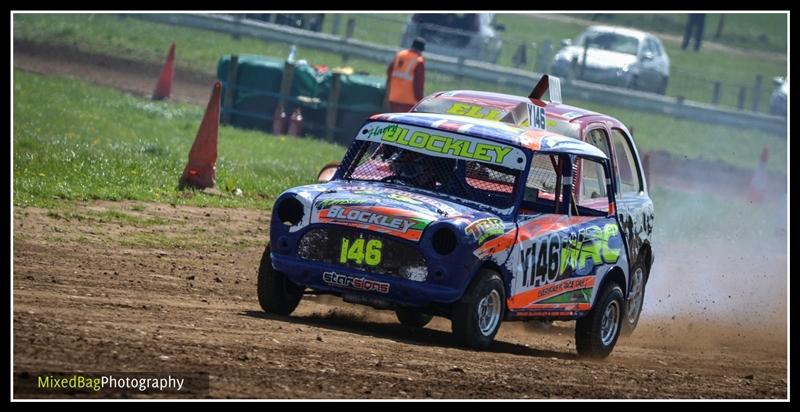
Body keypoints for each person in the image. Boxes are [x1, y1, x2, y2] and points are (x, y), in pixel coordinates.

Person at [385, 37, 426, 112]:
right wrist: (420, 100)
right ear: (421, 50)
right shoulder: (419, 61)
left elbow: (389, 72)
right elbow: (418, 84)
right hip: (408, 101)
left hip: (393, 97)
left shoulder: (400, 55)